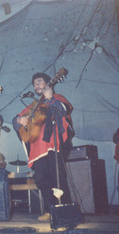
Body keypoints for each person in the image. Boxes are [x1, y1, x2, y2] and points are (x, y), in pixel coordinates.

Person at [12, 72, 73, 221]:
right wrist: (20, 120)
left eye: (39, 82)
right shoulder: (33, 105)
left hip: (53, 145)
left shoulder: (57, 98)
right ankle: (50, 210)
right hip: (36, 149)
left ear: (49, 83)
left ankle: (64, 212)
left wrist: (50, 98)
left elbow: (65, 109)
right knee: (41, 179)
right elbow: (15, 120)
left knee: (58, 179)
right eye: (34, 83)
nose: (36, 85)